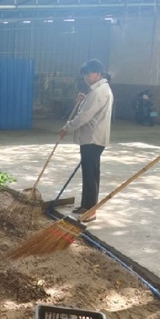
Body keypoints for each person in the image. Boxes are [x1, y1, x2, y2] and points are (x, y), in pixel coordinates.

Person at [58, 59, 114, 222]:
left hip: (93, 139)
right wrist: (84, 100)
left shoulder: (99, 91)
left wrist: (66, 128)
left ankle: (90, 210)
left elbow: (84, 116)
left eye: (88, 75)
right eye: (84, 76)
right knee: (90, 173)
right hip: (92, 138)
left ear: (98, 73)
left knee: (90, 174)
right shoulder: (98, 90)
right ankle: (86, 205)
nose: (86, 79)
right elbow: (89, 108)